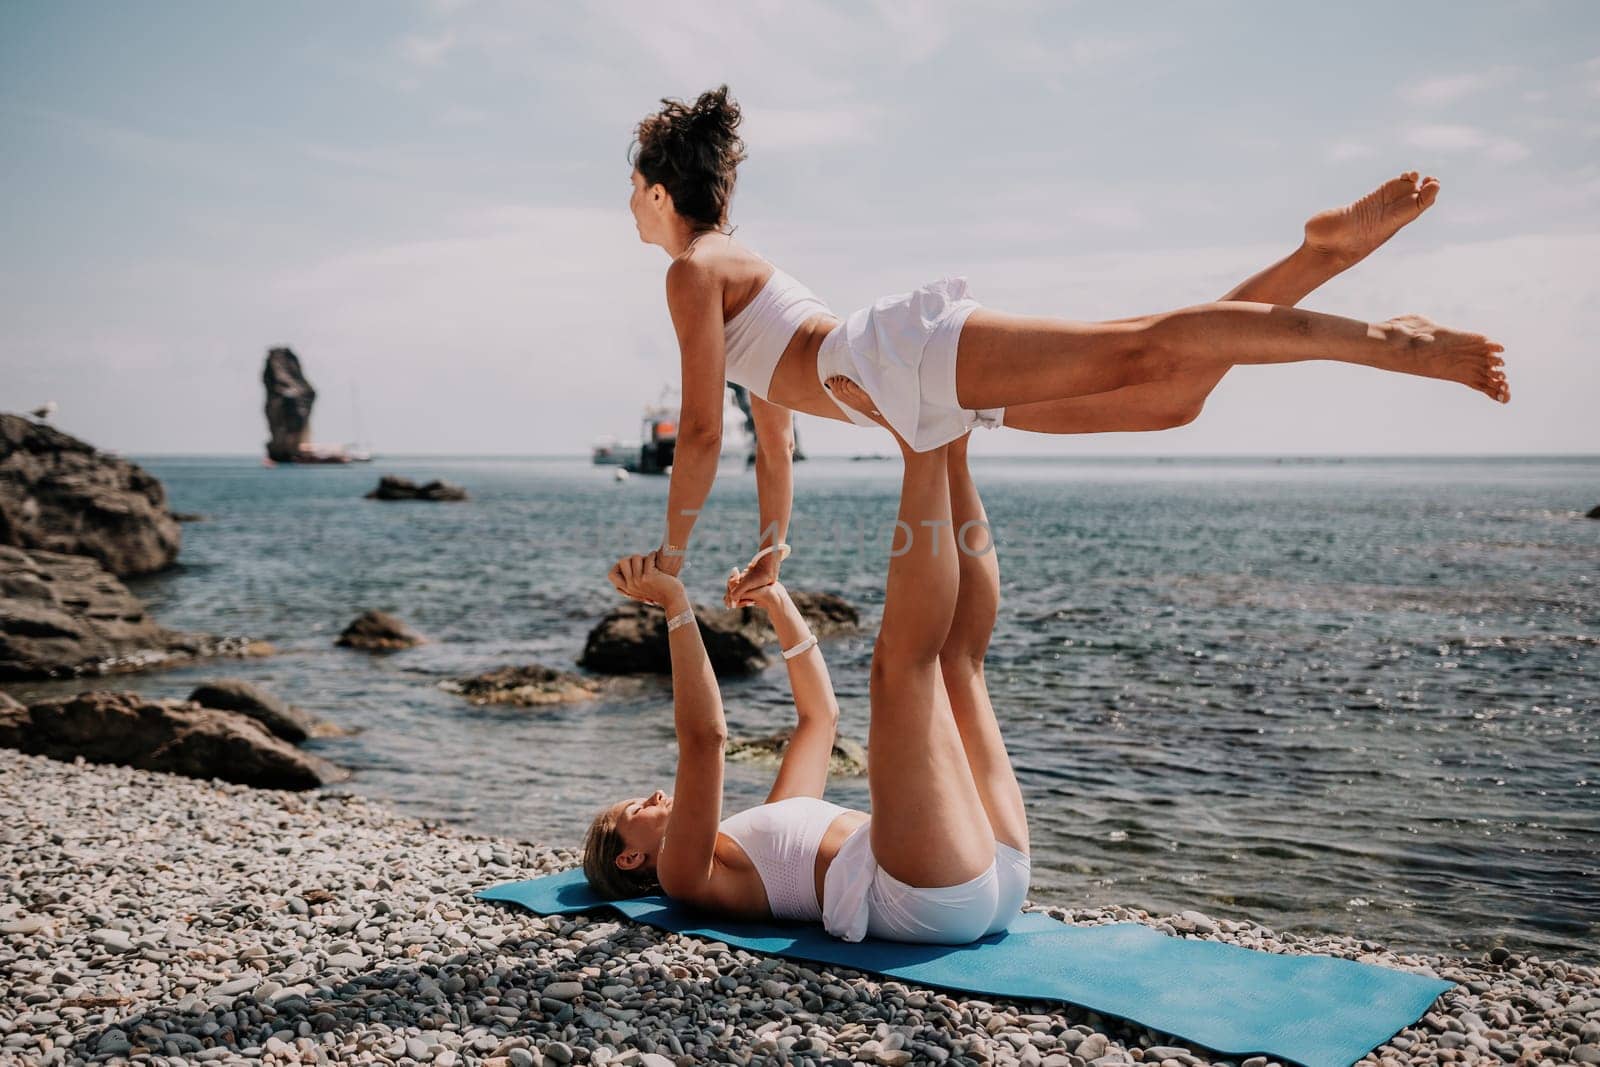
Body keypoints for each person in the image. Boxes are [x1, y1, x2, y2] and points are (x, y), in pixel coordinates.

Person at [624, 85, 1509, 600]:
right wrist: (776, 547)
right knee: (1171, 396)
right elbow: (769, 431)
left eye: (633, 190)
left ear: (661, 192)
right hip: (913, 393)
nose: (629, 207)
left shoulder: (693, 271)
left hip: (902, 359)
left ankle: (1395, 339)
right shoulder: (726, 268)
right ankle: (1312, 259)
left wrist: (672, 560)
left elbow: (701, 431)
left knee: (1142, 346)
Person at [584, 422, 1031, 945]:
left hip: (977, 872)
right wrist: (675, 607)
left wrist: (776, 600)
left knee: (959, 664)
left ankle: (951, 442)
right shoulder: (683, 876)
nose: (655, 794)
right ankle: (921, 435)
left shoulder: (766, 826)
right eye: (636, 808)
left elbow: (820, 717)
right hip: (920, 895)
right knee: (904, 666)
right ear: (631, 857)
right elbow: (705, 741)